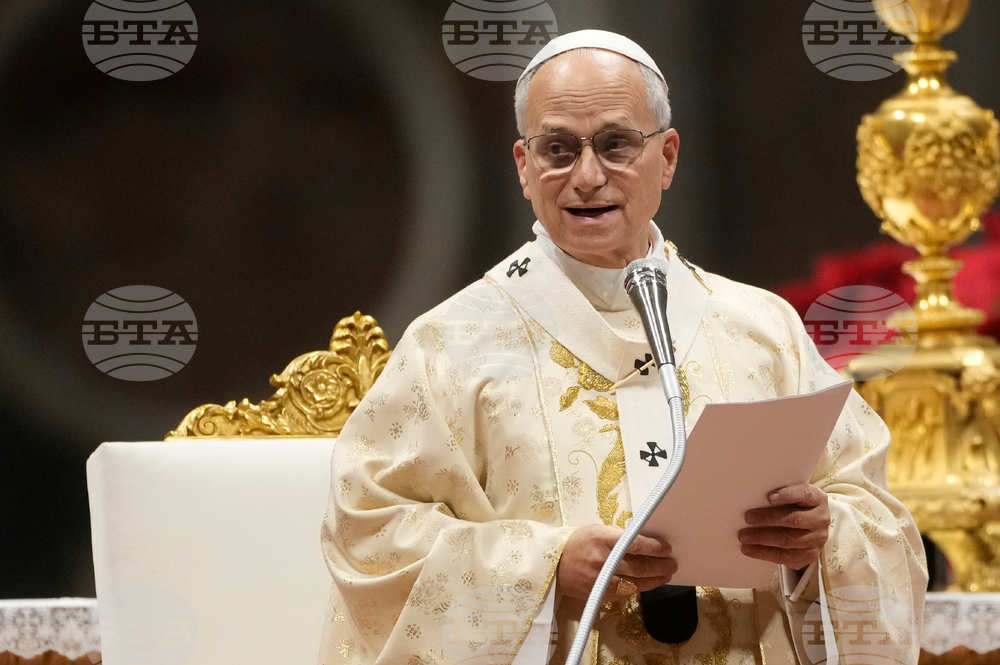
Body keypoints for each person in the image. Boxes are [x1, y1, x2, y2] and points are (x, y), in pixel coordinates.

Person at [317, 29, 927, 665]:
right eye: (558, 149)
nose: (587, 177)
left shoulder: (762, 330)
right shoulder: (450, 346)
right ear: (523, 166)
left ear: (666, 156)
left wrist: (819, 541)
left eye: (615, 145)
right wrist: (548, 569)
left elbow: (878, 519)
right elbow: (370, 540)